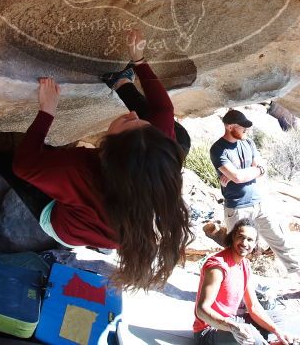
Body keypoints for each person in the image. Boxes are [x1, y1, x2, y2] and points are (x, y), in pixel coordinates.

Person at [11, 29, 193, 290]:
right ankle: (120, 81)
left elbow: (24, 166)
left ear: (106, 149)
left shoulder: (80, 168)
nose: (131, 113)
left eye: (128, 122)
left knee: (5, 165)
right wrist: (139, 61)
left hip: (64, 226)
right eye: (139, 120)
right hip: (111, 226)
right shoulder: (158, 156)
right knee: (180, 139)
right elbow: (163, 110)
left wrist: (47, 112)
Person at [210, 110, 300, 293]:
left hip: (258, 203)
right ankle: (229, 291)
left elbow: (258, 168)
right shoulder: (218, 149)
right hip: (237, 206)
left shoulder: (247, 143)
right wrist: (241, 174)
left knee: (280, 241)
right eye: (243, 128)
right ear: (229, 127)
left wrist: (244, 173)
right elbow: (238, 176)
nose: (246, 131)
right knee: (236, 250)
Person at [194, 218, 297, 345]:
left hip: (233, 321)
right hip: (209, 331)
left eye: (249, 240)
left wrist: (278, 332)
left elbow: (253, 307)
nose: (244, 243)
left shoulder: (244, 265)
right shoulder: (218, 266)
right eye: (240, 237)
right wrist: (233, 326)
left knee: (278, 318)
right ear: (232, 237)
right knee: (250, 334)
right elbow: (201, 310)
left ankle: (267, 341)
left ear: (255, 244)